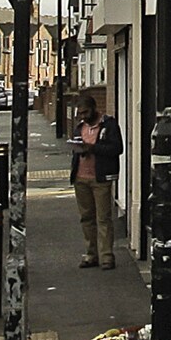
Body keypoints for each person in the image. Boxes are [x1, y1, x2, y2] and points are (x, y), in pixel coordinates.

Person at [70, 96, 124, 270]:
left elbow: (117, 148)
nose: (83, 116)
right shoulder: (80, 128)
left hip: (100, 178)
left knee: (103, 218)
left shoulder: (109, 125)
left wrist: (92, 148)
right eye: (80, 113)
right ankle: (91, 254)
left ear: (94, 108)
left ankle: (107, 256)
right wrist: (79, 149)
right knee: (86, 218)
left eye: (85, 112)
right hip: (81, 177)